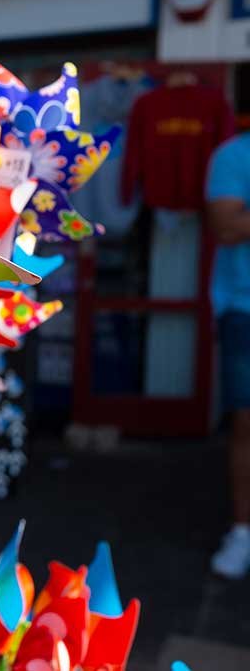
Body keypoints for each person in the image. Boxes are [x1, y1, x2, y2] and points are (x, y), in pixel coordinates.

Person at [206, 133, 250, 578]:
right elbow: (228, 227)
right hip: (244, 307)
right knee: (246, 423)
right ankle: (243, 531)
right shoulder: (234, 155)